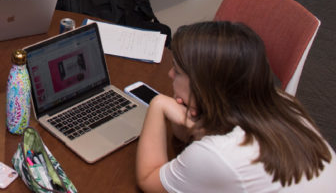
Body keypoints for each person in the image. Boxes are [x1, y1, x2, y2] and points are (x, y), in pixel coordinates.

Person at [136, 21, 335, 192]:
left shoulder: (217, 154)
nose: (170, 74)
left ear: (203, 87)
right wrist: (196, 127)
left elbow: (148, 180)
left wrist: (158, 104)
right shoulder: (282, 102)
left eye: (177, 71)